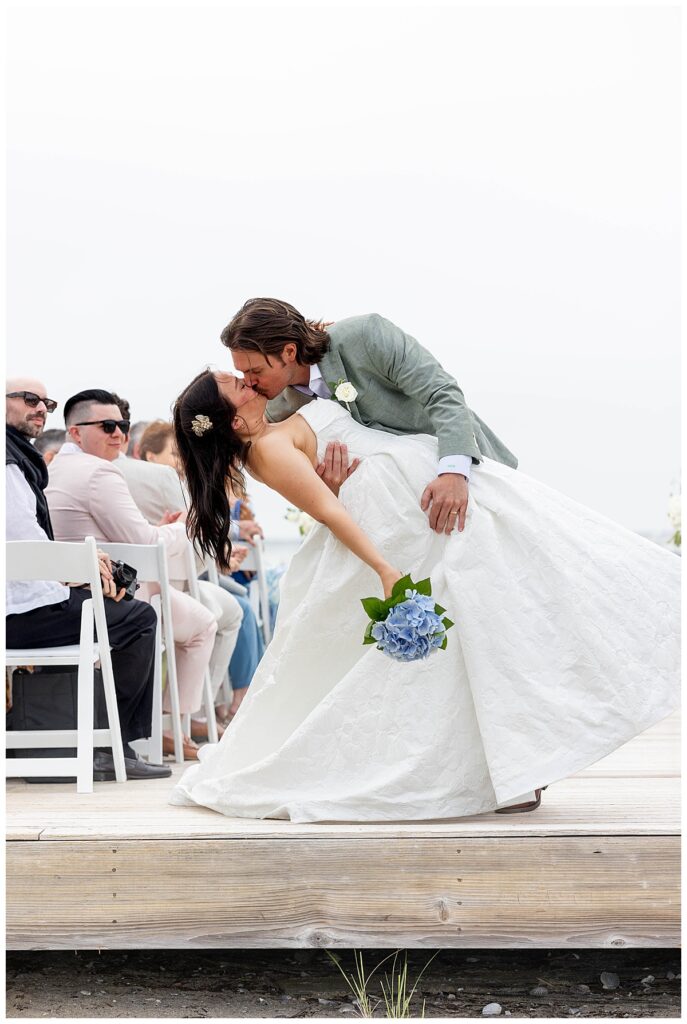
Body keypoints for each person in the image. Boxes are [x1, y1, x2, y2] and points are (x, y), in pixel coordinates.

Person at [167, 369, 680, 822]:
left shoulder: (277, 425)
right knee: (466, 642)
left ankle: (517, 762)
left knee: (512, 604)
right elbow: (330, 512)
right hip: (403, 528)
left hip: (418, 506)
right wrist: (385, 569)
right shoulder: (268, 449)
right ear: (233, 421)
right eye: (233, 385)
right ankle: (499, 769)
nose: (244, 378)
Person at [221, 298, 519, 537]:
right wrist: (334, 489)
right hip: (410, 514)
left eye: (255, 371)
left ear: (288, 351)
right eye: (242, 373)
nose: (248, 382)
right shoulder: (276, 413)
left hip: (467, 473)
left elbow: (441, 392)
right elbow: (314, 498)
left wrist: (454, 472)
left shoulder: (365, 336)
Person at [44, 388, 226, 761]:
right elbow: (144, 543)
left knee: (194, 617)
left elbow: (110, 535)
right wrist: (184, 528)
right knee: (204, 624)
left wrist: (158, 530)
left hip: (67, 593)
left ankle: (165, 729)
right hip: (109, 597)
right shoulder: (99, 472)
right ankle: (170, 726)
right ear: (75, 432)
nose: (119, 434)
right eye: (107, 425)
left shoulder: (57, 467)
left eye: (123, 425)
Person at [5, 378, 170, 781]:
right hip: (20, 612)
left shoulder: (24, 458)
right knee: (138, 618)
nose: (40, 408)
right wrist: (79, 565)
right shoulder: (10, 464)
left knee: (114, 605)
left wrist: (77, 569)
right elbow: (19, 537)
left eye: (45, 402)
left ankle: (94, 738)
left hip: (25, 603)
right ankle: (113, 745)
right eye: (28, 400)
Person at [133, 417, 266, 720]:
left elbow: (198, 530)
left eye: (182, 454)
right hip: (168, 578)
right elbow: (188, 533)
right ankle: (198, 714)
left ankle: (210, 708)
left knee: (239, 602)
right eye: (175, 454)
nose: (181, 461)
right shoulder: (160, 482)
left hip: (185, 571)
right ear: (150, 456)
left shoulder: (182, 483)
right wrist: (221, 555)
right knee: (235, 607)